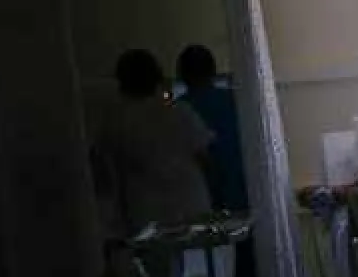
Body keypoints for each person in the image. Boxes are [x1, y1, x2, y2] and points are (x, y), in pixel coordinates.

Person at [94, 49, 213, 238]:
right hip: (191, 207)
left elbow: (108, 172)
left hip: (146, 214)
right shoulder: (179, 112)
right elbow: (205, 158)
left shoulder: (116, 121)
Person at [175, 45, 248, 214]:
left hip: (199, 202)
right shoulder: (236, 101)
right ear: (213, 70)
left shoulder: (176, 110)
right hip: (240, 196)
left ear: (181, 74)